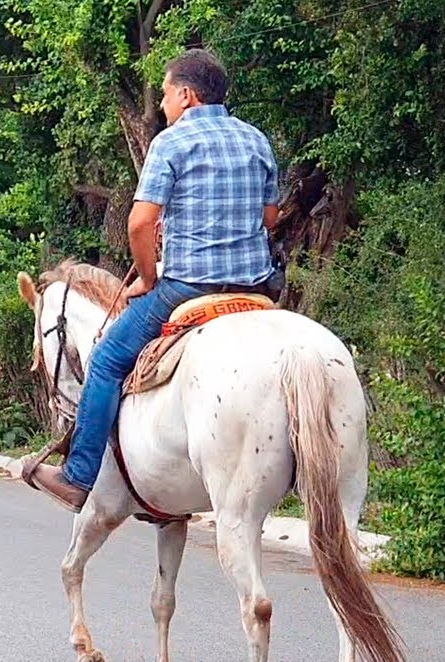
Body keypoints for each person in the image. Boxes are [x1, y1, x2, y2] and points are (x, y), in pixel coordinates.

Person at [22, 48, 280, 513]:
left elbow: (140, 223)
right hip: (256, 288)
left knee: (105, 360)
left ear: (187, 95)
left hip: (189, 288)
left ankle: (78, 476)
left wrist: (145, 278)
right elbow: (269, 217)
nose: (162, 104)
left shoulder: (171, 143)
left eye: (165, 94)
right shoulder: (256, 139)